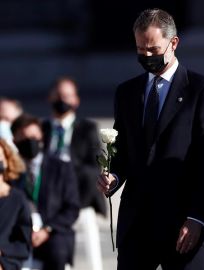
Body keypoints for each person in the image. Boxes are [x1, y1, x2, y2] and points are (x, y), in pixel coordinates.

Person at [97, 8, 204, 270]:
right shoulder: (127, 93)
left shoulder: (200, 90)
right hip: (138, 224)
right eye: (140, 50)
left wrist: (198, 218)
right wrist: (113, 177)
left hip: (184, 225)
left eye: (153, 50)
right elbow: (123, 152)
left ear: (173, 43)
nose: (146, 56)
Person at [42, 76, 106, 270]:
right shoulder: (42, 128)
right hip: (47, 200)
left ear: (76, 100)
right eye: (59, 95)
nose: (63, 100)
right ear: (50, 97)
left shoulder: (86, 128)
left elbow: (95, 165)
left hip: (80, 198)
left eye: (67, 96)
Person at [12, 114, 80, 270]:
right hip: (19, 233)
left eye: (34, 136)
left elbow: (72, 208)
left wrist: (47, 230)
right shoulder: (10, 172)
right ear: (15, 141)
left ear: (41, 137)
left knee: (57, 250)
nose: (30, 141)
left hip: (52, 232)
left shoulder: (61, 167)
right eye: (24, 137)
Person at [0, 139, 32, 270]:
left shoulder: (17, 199)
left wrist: (3, 250)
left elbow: (23, 243)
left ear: (7, 161)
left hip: (5, 259)